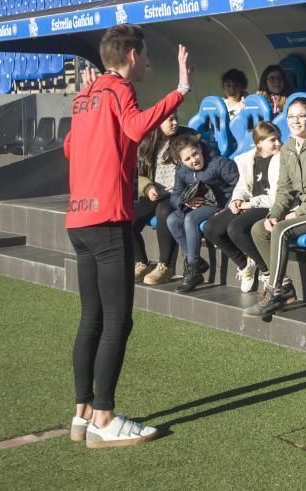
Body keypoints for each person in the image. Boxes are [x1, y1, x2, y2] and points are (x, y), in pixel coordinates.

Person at [64, 24, 191, 448]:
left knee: (91, 320)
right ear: (133, 55)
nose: (149, 63)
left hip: (78, 222)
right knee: (118, 321)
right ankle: (104, 416)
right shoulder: (119, 90)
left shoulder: (84, 97)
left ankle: (82, 414)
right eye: (147, 55)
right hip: (107, 219)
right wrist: (180, 92)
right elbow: (137, 128)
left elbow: (69, 148)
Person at [244, 97, 306, 318]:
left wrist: (297, 212)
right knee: (260, 229)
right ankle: (285, 287)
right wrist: (274, 214)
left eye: (302, 116)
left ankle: (274, 291)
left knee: (282, 229)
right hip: (304, 208)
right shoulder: (288, 148)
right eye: (291, 116)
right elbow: (285, 189)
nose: (295, 121)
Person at [203, 121, 282, 293]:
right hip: (251, 203)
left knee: (236, 228)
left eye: (278, 139)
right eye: (273, 140)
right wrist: (236, 201)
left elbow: (276, 198)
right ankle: (245, 264)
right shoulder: (248, 159)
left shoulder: (282, 159)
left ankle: (266, 271)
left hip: (270, 206)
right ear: (259, 143)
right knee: (211, 228)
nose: (278, 143)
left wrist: (249, 203)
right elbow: (242, 186)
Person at [166, 133, 239, 293]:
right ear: (180, 162)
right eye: (187, 159)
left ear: (200, 148)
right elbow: (175, 196)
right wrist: (185, 201)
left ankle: (193, 269)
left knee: (190, 219)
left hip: (220, 205)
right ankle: (195, 262)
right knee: (172, 220)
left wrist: (227, 207)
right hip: (200, 203)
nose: (194, 160)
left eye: (195, 154)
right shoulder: (182, 171)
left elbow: (239, 185)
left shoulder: (219, 163)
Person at [131, 113, 196, 285]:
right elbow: (136, 174)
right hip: (154, 192)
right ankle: (141, 262)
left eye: (176, 118)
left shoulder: (184, 138)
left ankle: (165, 266)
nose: (175, 122)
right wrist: (148, 187)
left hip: (176, 193)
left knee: (164, 211)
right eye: (170, 120)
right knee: (126, 213)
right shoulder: (146, 142)